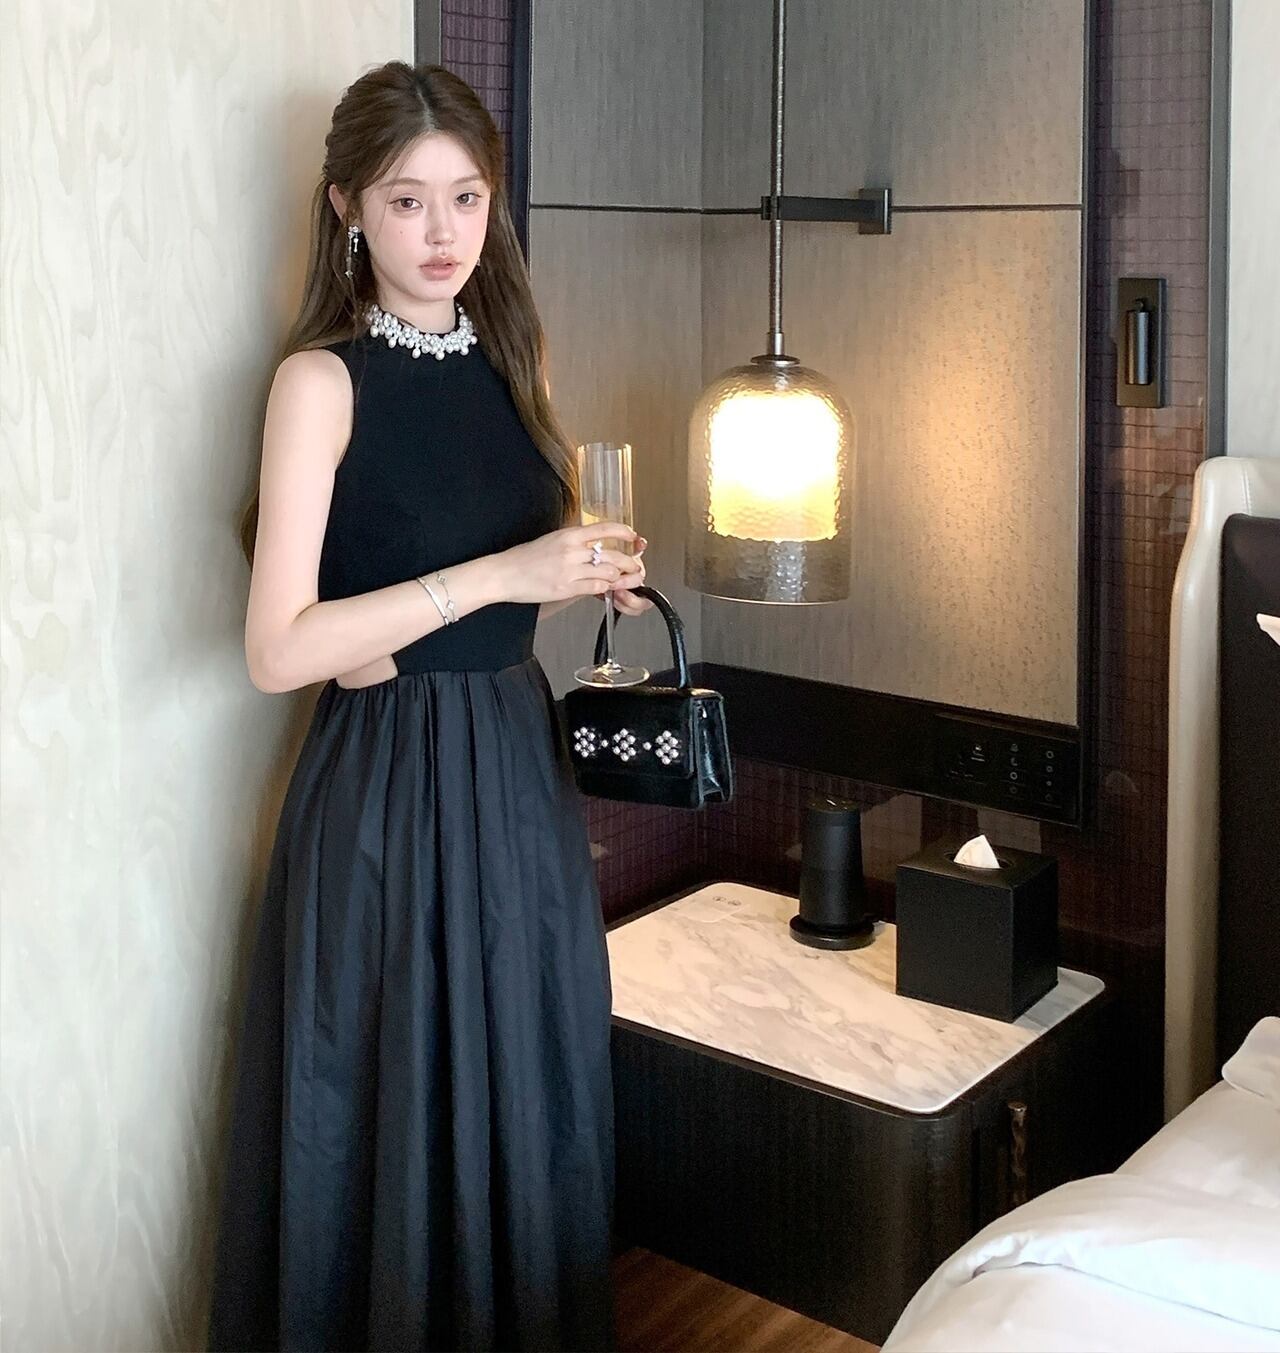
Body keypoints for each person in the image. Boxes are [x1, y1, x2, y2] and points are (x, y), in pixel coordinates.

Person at [206, 60, 651, 1352]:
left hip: (513, 769)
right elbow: (279, 648)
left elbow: (473, 586)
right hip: (387, 791)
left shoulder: (515, 356)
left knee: (527, 1088)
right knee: (389, 1107)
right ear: (347, 207)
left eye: (468, 197)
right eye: (407, 201)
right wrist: (503, 575)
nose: (444, 232)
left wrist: (575, 576)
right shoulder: (320, 383)